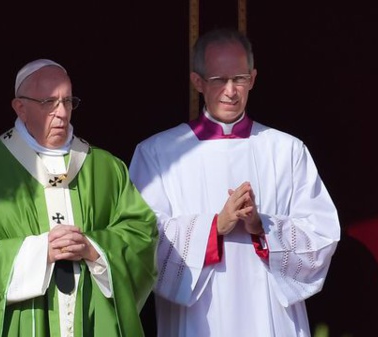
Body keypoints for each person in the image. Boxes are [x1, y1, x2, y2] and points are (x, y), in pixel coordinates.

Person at [129, 28, 341, 337]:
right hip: (198, 318)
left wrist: (262, 228)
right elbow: (141, 241)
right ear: (198, 81)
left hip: (270, 316)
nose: (231, 91)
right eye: (219, 80)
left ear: (253, 78)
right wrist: (215, 227)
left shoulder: (287, 151)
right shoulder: (157, 154)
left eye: (239, 79)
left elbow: (322, 236)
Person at [0, 58, 158, 337]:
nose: (62, 113)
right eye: (49, 103)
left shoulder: (105, 169)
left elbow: (141, 235)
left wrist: (95, 249)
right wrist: (41, 252)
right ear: (20, 107)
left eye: (68, 101)